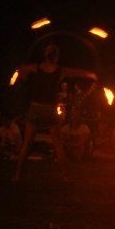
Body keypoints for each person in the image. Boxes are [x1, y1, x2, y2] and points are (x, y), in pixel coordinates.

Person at [12, 44, 97, 181]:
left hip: (35, 108)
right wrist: (91, 74)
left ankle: (17, 175)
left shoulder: (37, 67)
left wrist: (23, 79)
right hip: (49, 109)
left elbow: (21, 69)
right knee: (57, 143)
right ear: (56, 57)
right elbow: (77, 72)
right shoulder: (60, 70)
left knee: (27, 143)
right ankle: (65, 176)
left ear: (46, 55)